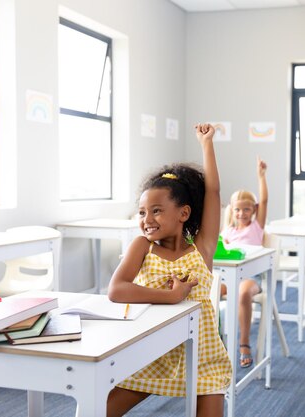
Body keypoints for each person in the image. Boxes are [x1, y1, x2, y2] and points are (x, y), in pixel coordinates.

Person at [106, 123, 231, 417]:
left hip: (202, 354)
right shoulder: (142, 246)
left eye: (156, 210)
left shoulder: (202, 248)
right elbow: (116, 290)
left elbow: (213, 191)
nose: (146, 219)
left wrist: (207, 144)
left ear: (183, 213)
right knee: (97, 409)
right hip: (153, 351)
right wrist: (172, 297)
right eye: (142, 212)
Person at [220, 156, 268, 368]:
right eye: (237, 209)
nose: (242, 213)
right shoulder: (228, 231)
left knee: (242, 292)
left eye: (246, 209)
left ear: (254, 210)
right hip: (228, 276)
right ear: (232, 209)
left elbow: (264, 201)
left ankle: (244, 343)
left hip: (251, 277)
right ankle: (215, 344)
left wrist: (261, 176)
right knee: (204, 291)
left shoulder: (256, 227)